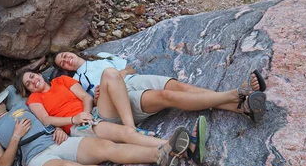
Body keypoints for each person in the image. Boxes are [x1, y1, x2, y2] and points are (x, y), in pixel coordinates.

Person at [0, 89, 192, 166]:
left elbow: (17, 93)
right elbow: (3, 163)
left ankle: (160, 155)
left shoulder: (20, 106)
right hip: (37, 159)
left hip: (58, 142)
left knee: (105, 146)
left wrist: (57, 128)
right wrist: (15, 136)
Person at [15, 69, 203, 166]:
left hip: (94, 113)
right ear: (28, 90)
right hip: (78, 127)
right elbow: (46, 119)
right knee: (123, 133)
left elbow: (86, 98)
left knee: (110, 74)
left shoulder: (61, 81)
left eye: (32, 76)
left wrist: (86, 113)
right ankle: (183, 149)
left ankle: (132, 126)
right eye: (28, 84)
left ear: (39, 74)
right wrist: (75, 119)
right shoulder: (35, 100)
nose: (33, 82)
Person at [53, 51, 267, 125]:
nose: (66, 60)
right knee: (167, 95)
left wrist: (121, 74)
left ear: (72, 53)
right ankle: (236, 93)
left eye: (65, 56)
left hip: (130, 80)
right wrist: (99, 96)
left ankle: (241, 108)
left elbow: (131, 69)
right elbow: (97, 107)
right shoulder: (78, 81)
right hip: (118, 98)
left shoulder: (100, 56)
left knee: (178, 86)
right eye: (62, 63)